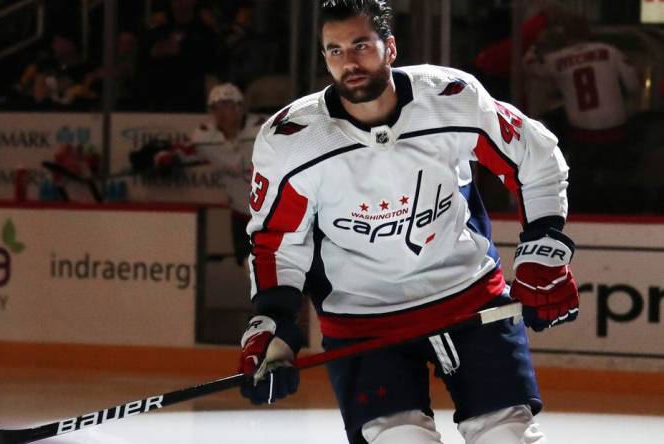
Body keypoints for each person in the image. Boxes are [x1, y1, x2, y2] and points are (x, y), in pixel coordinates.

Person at [236, 2, 579, 444]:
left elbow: (537, 159)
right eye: (335, 50)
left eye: (361, 45)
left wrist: (543, 248)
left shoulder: (451, 98)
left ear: (390, 47)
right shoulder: (290, 141)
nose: (349, 61)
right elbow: (277, 242)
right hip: (363, 320)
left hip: (469, 297)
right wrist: (273, 322)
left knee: (508, 437)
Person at [524, 21, 640, 212]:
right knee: (620, 191)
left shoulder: (557, 59)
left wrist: (536, 44)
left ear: (566, 38)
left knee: (580, 194)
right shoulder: (610, 52)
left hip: (582, 137)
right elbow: (634, 85)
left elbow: (529, 66)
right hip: (615, 133)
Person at [191, 83, 263, 266]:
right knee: (250, 269)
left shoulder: (264, 130)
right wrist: (162, 156)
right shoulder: (205, 138)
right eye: (216, 108)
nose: (222, 113)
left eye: (228, 106)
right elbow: (183, 151)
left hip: (274, 214)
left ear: (240, 107)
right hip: (242, 214)